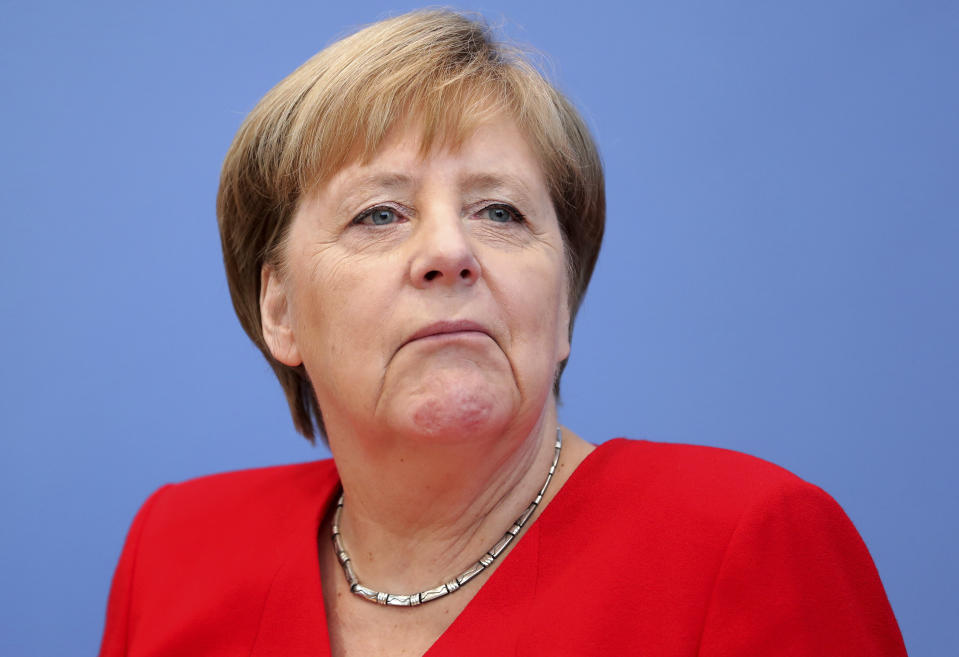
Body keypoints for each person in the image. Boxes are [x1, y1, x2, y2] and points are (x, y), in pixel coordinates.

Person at [98, 9, 906, 656]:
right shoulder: (175, 548)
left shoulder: (748, 539)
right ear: (278, 310)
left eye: (499, 212)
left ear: (561, 302)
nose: (450, 252)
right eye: (379, 213)